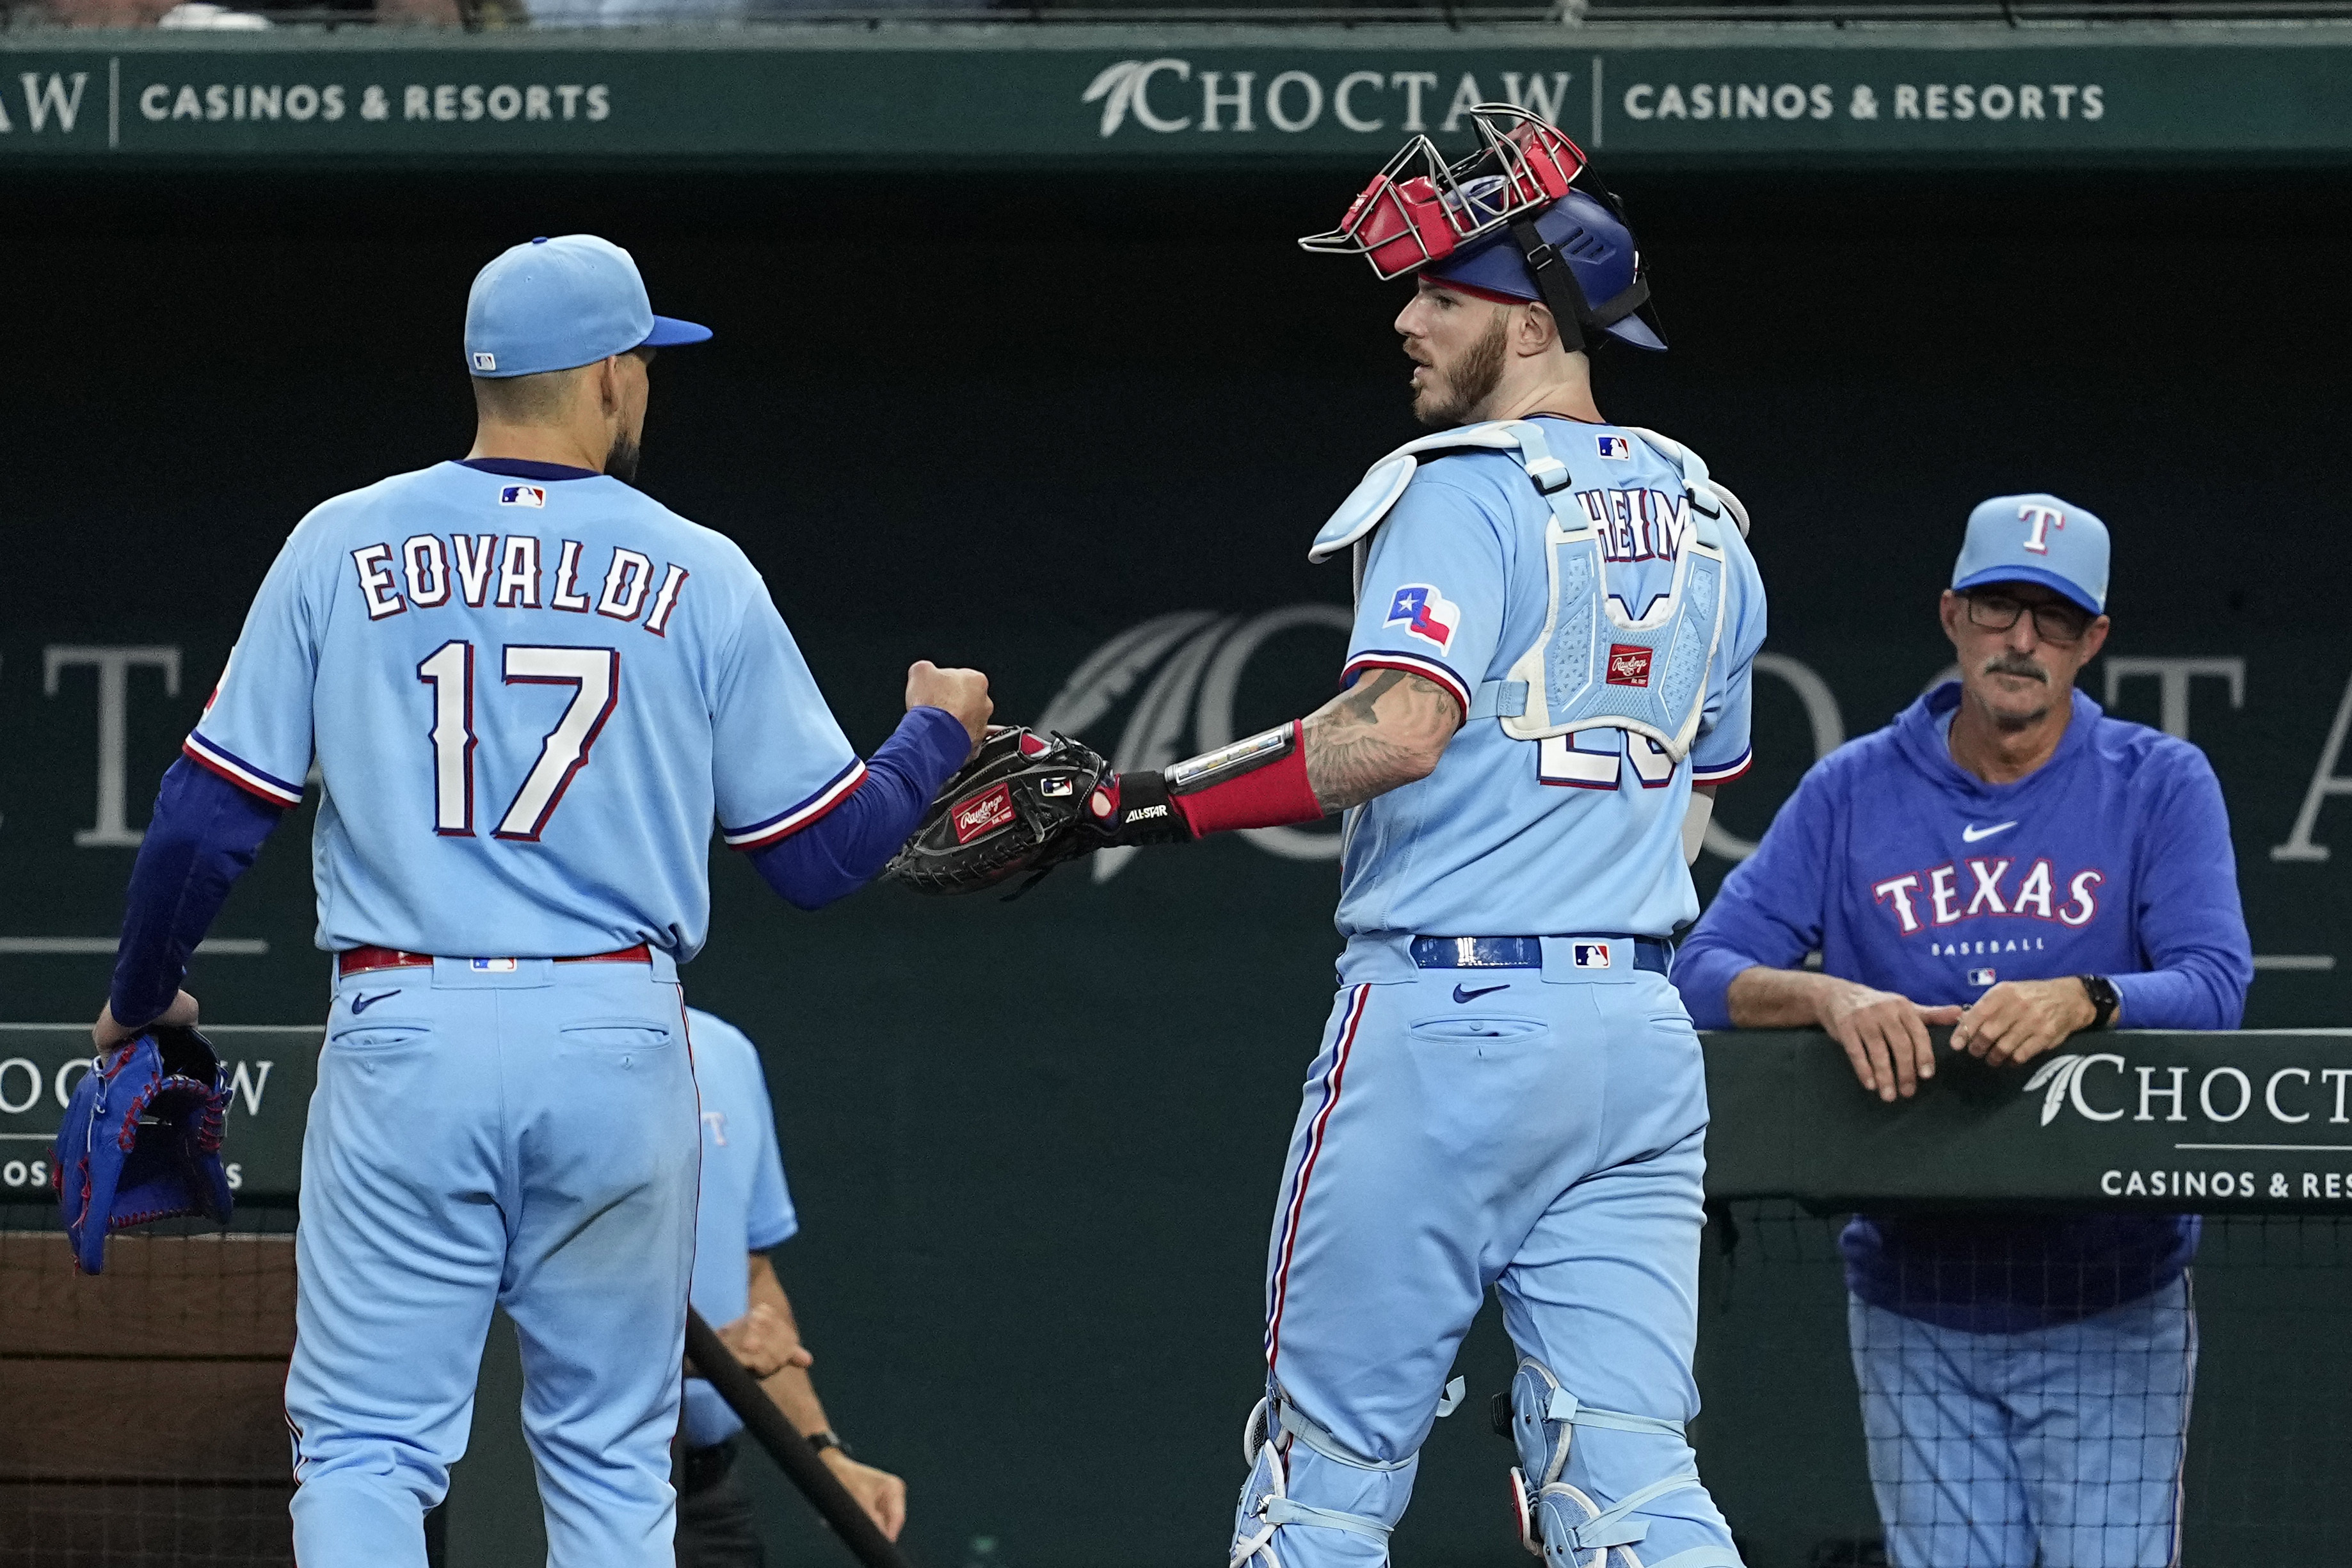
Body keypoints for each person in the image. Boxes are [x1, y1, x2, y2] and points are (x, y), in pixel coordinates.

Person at [92, 233, 990, 1568]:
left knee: (363, 1448)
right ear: (612, 376)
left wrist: (139, 990)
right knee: (611, 1461)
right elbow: (814, 857)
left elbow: (204, 816)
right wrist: (931, 738)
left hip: (406, 1022)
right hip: (618, 1036)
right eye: (644, 362)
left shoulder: (340, 541)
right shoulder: (698, 566)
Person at [986, 109, 1766, 1567]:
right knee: (1631, 1482)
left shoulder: (1460, 491)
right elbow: (1700, 794)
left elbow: (1396, 733)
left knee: (1327, 1470)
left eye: (1444, 296)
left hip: (1446, 1019)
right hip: (1631, 1031)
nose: (1408, 323)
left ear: (1532, 325)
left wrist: (1132, 803)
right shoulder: (1711, 518)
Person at [1673, 494, 2253, 1568]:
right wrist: (1830, 996)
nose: (2021, 641)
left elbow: (2216, 985)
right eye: (1998, 609)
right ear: (1952, 615)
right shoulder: (1855, 790)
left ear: (2093, 643)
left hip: (2108, 1293)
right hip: (1916, 1298)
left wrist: (2087, 996)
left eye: (2054, 618)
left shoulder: (2159, 784)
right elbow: (1700, 970)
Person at [677, 1007, 906, 1566]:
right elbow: (506, 1311)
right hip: (562, 1491)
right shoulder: (522, 1062)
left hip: (707, 1496)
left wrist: (821, 1450)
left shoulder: (725, 1050)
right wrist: (686, 1359)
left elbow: (752, 1277)